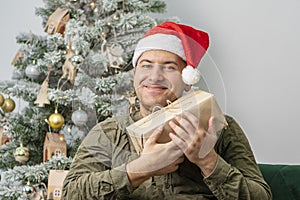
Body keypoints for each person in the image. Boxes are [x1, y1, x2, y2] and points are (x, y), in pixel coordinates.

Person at [62, 21, 272, 199]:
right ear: (134, 75)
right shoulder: (109, 132)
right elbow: (70, 193)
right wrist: (139, 169)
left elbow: (261, 196)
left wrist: (208, 161)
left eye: (169, 67)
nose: (154, 77)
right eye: (146, 65)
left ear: (187, 80)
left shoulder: (220, 127)